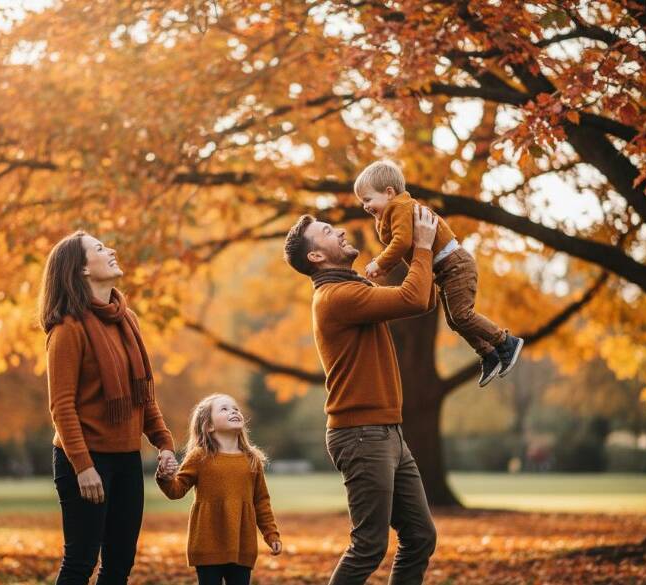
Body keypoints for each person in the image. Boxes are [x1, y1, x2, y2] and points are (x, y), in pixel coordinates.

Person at [283, 205, 437, 584]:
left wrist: (423, 253)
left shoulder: (353, 288)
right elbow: (414, 299)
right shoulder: (337, 297)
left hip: (387, 433)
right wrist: (422, 247)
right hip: (362, 435)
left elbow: (424, 297)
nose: (338, 231)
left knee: (419, 536)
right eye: (326, 231)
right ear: (316, 256)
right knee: (369, 545)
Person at [38, 230, 179, 584]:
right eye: (100, 248)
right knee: (81, 562)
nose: (112, 250)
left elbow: (142, 395)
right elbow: (61, 407)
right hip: (84, 461)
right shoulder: (67, 329)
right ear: (81, 269)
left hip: (127, 459)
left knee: (119, 565)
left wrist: (163, 443)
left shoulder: (126, 320)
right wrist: (83, 467)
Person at [355, 160, 523, 387]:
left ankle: (505, 341)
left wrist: (380, 263)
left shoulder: (400, 207)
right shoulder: (391, 215)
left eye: (367, 199)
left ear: (389, 192)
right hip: (444, 269)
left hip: (455, 264)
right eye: (361, 202)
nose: (364, 206)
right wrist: (387, 266)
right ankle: (488, 354)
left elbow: (402, 242)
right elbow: (404, 246)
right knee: (455, 321)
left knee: (462, 315)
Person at [157, 393, 282, 585]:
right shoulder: (199, 456)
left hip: (243, 545)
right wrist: (165, 478)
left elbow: (261, 501)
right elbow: (177, 490)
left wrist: (271, 533)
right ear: (209, 426)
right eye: (224, 409)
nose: (233, 411)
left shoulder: (252, 459)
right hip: (207, 544)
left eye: (235, 408)